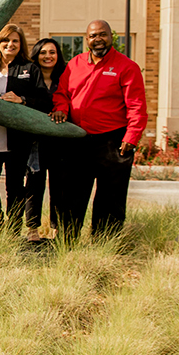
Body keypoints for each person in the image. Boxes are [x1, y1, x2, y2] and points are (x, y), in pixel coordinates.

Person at [49, 20, 147, 242]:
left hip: (113, 140)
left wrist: (131, 137)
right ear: (87, 39)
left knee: (110, 197)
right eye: (93, 36)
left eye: (102, 34)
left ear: (112, 36)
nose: (98, 39)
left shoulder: (126, 66)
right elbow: (62, 94)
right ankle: (67, 242)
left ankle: (105, 244)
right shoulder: (74, 64)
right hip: (78, 139)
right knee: (72, 193)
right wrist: (62, 109)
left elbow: (137, 106)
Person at [0, 25, 49, 232]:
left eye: (15, 41)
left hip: (17, 140)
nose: (10, 45)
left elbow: (45, 101)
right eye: (5, 40)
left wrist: (23, 100)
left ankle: (14, 229)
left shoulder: (30, 68)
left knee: (15, 187)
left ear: (21, 45)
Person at [27, 37, 68, 241]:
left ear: (58, 55)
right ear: (36, 55)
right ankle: (32, 229)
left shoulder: (65, 77)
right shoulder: (29, 77)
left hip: (60, 141)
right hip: (35, 141)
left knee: (59, 185)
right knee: (34, 185)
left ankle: (56, 229)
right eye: (43, 52)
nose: (48, 56)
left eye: (52, 52)